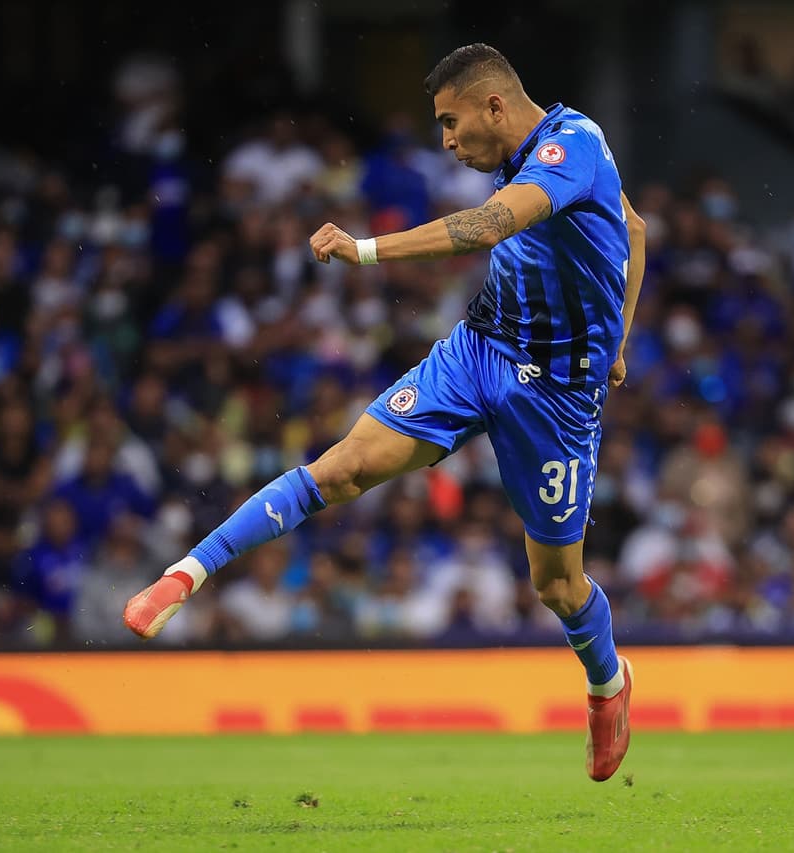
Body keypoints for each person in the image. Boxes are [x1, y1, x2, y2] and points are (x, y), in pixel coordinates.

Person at [124, 43, 646, 782]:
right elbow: (635, 229)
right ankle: (184, 575)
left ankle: (607, 686)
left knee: (557, 585)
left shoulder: (572, 147)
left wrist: (363, 250)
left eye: (451, 122)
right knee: (341, 468)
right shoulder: (518, 151)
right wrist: (621, 334)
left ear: (494, 106)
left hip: (557, 393)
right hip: (478, 349)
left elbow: (490, 227)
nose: (447, 141)